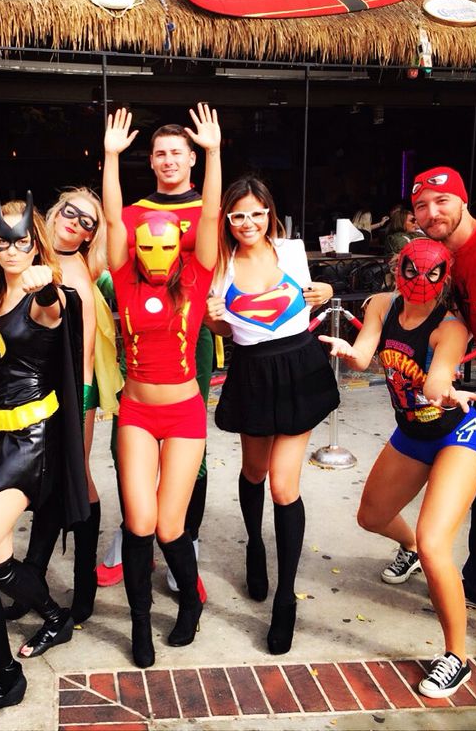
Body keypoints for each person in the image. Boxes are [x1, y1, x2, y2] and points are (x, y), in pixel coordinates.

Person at [319, 237, 476, 698]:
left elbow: (438, 375)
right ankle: (408, 547)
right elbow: (366, 352)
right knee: (371, 517)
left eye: (431, 275)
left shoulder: (449, 326)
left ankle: (457, 657)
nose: (418, 282)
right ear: (397, 270)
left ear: (444, 277)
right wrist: (347, 351)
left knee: (438, 544)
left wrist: (444, 388)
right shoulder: (379, 304)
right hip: (411, 433)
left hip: (457, 436)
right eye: (410, 271)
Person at [0, 192, 87, 715]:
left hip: (28, 445)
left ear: (35, 245)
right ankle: (55, 617)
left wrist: (46, 279)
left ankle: (6, 677)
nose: (11, 249)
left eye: (22, 241)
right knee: (0, 563)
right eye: (3, 240)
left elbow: (53, 307)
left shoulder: (45, 296)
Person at [102, 104, 220, 668]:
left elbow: (213, 218)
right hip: (136, 413)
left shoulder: (194, 275)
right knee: (138, 523)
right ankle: (141, 627)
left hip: (186, 414)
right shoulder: (123, 276)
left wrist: (215, 154)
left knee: (172, 525)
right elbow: (111, 223)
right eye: (160, 152)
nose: (155, 249)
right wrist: (109, 158)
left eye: (164, 242)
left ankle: (191, 608)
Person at [205, 177, 338, 655]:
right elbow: (219, 325)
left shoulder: (291, 251)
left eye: (256, 214)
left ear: (270, 214)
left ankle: (286, 599)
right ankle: (253, 546)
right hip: (253, 372)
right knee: (254, 471)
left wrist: (323, 288)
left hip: (299, 365)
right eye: (238, 215)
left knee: (284, 484)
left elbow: (314, 292)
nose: (248, 223)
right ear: (226, 218)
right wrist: (213, 317)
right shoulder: (218, 263)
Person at [410, 167, 476, 666]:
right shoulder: (445, 261)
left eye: (442, 202)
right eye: (423, 206)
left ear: (463, 202)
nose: (433, 213)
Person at [5, 188, 121, 626]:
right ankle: (32, 578)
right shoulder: (27, 255)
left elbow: (87, 352)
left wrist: (80, 403)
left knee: (77, 478)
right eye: (71, 212)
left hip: (75, 393)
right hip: (27, 392)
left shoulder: (84, 268)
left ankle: (84, 585)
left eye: (87, 221)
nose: (76, 222)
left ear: (93, 235)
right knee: (45, 484)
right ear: (54, 213)